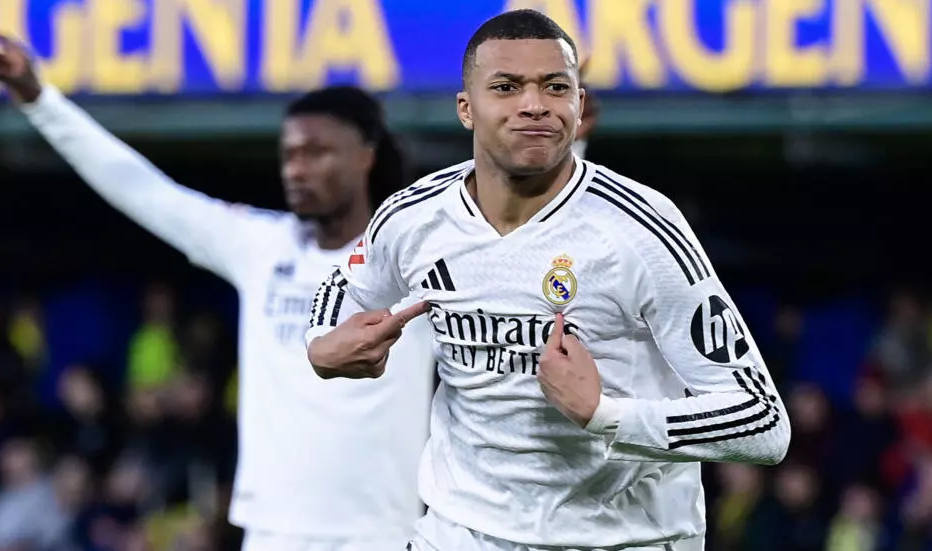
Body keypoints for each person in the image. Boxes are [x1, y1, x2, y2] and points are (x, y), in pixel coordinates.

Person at [305, 9, 791, 551]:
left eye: (555, 87)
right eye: (507, 87)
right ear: (466, 108)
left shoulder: (641, 229)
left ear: (578, 106)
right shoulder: (413, 216)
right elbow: (343, 285)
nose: (534, 103)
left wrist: (606, 416)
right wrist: (319, 345)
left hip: (625, 539)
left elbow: (762, 423)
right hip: (461, 531)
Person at [0, 29, 436, 551]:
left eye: (317, 152)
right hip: (271, 533)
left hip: (381, 533)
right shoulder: (260, 246)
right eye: (289, 154)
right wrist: (40, 100)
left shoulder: (415, 259)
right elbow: (142, 190)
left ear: (366, 156)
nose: (297, 169)